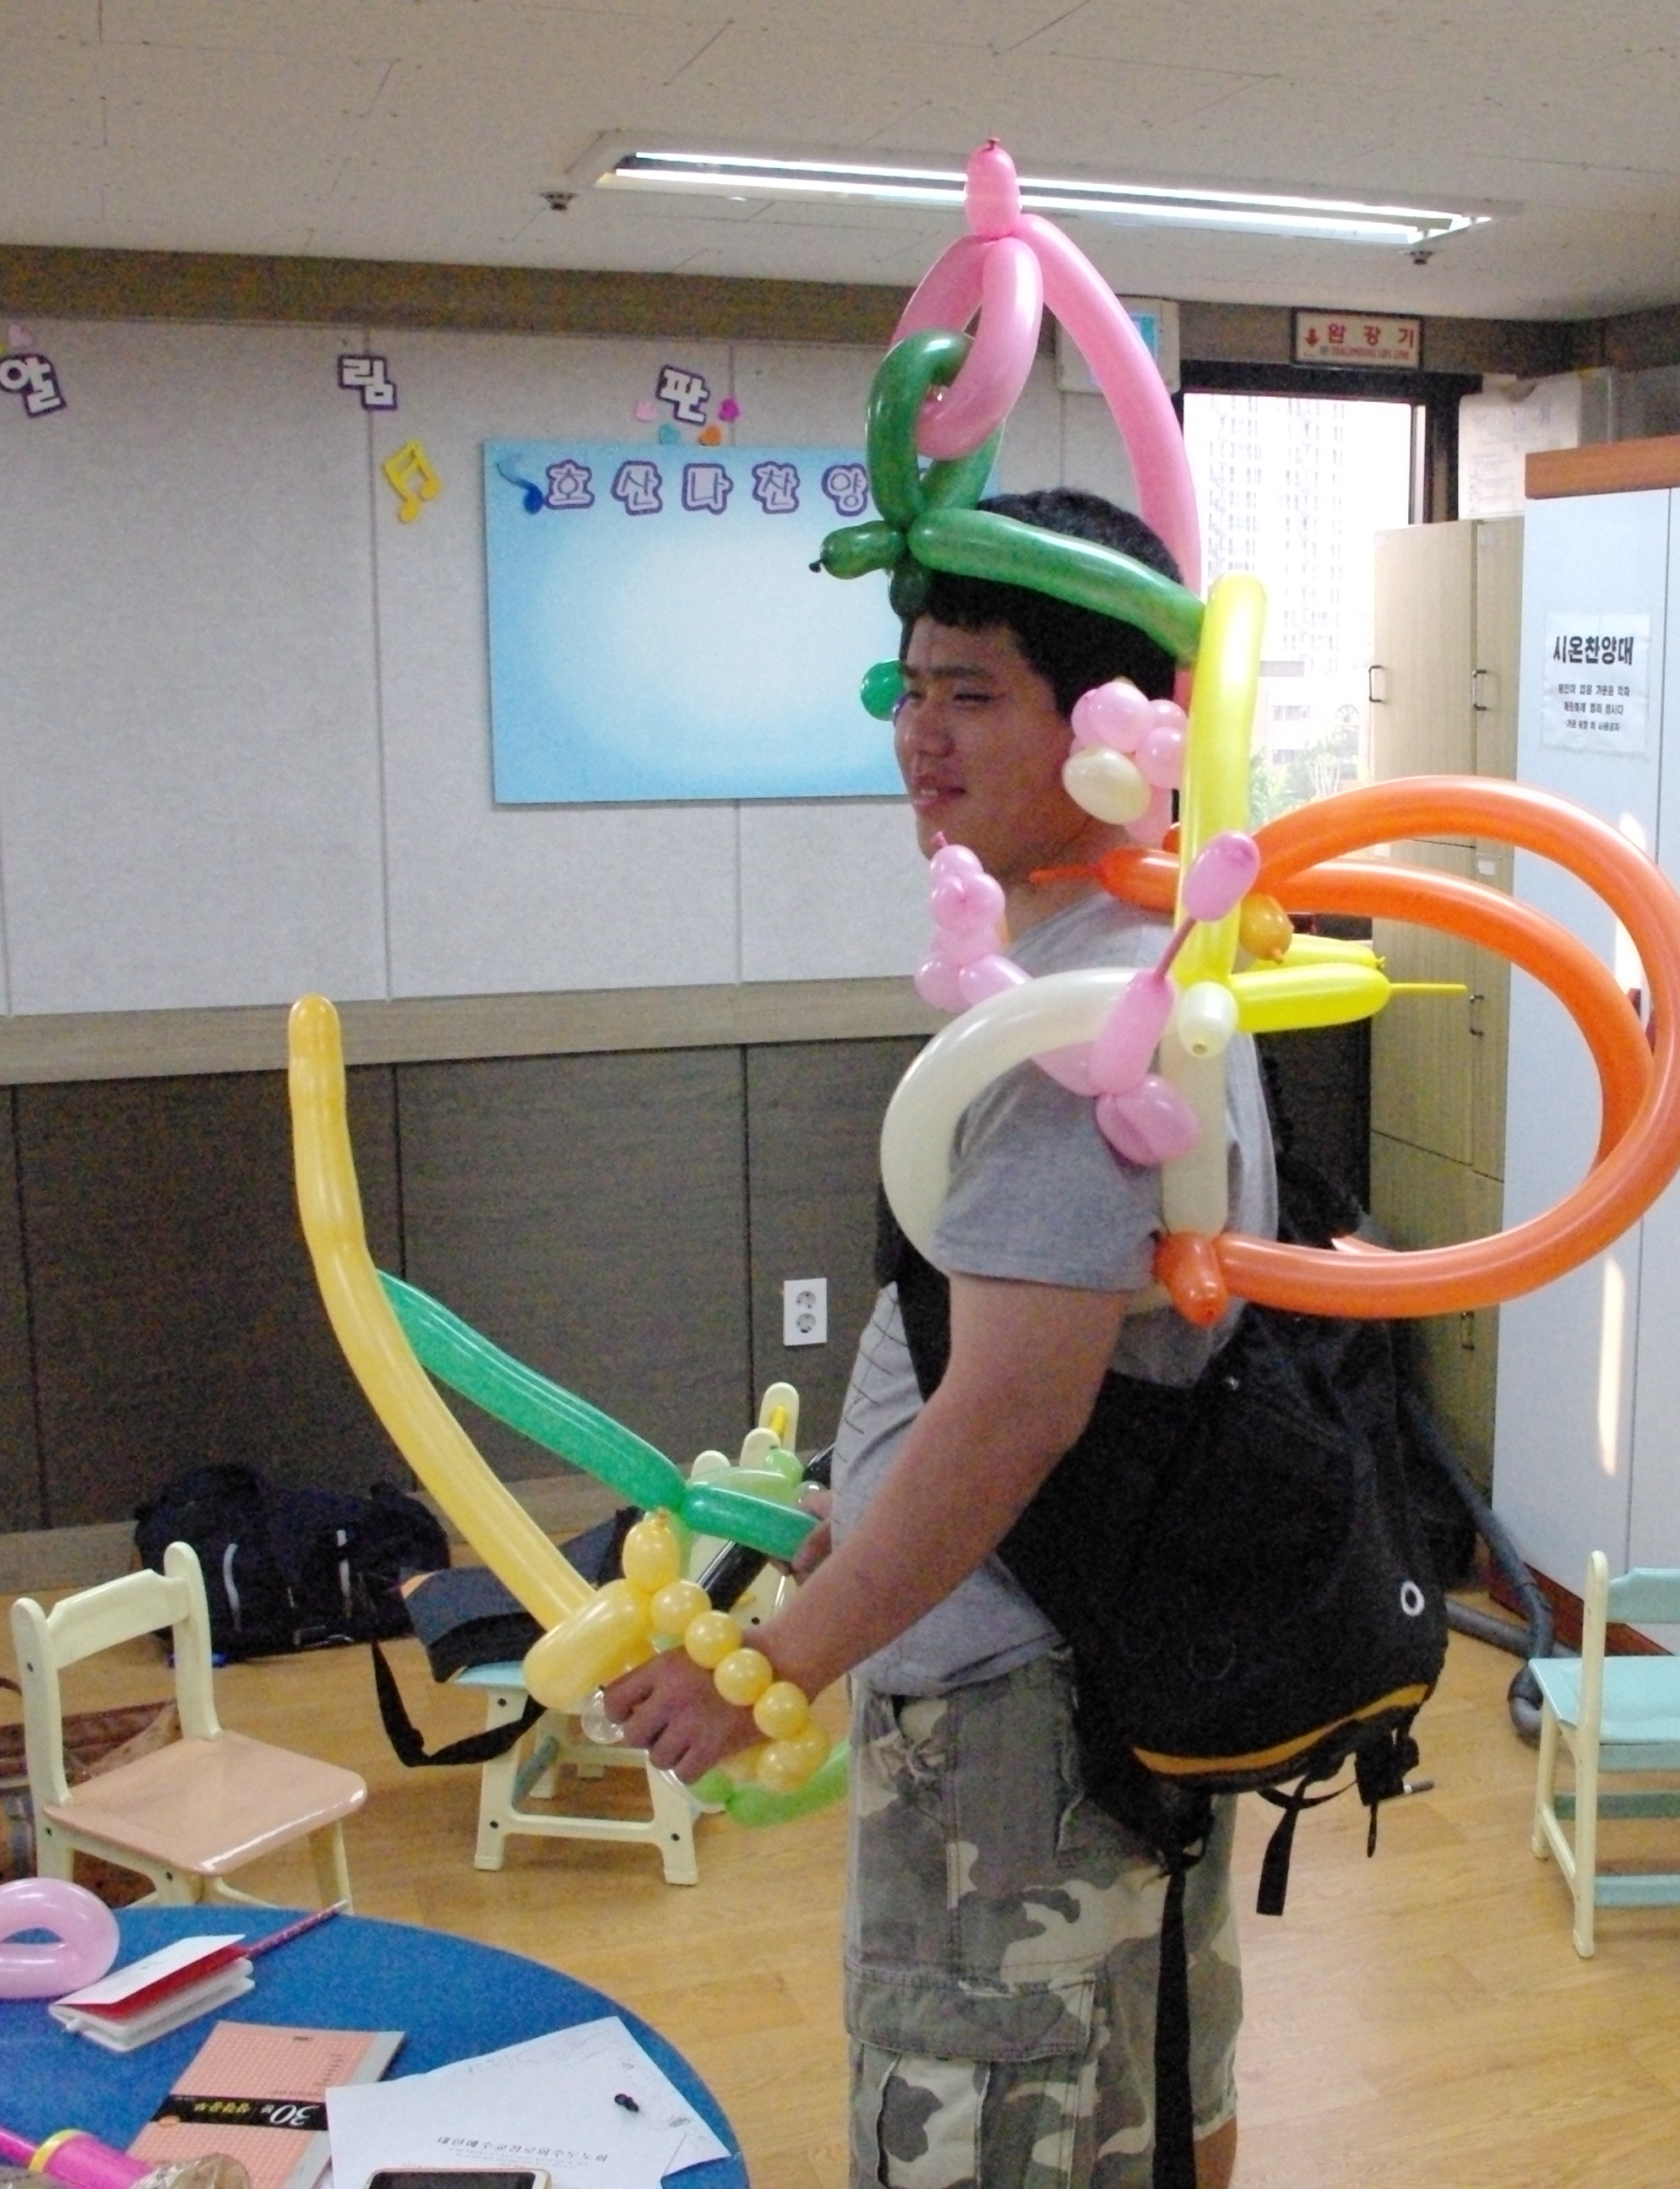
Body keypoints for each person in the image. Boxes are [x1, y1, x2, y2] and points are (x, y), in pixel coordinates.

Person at [612, 488, 1271, 2189]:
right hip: (1096, 1670)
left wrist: (774, 1666)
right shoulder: (1144, 960)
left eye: (973, 693)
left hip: (1017, 1717)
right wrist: (850, 1511)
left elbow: (1011, 1417)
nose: (920, 736)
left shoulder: (1080, 1026)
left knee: (995, 2121)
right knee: (1151, 2083)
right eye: (909, 688)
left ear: (1113, 728)